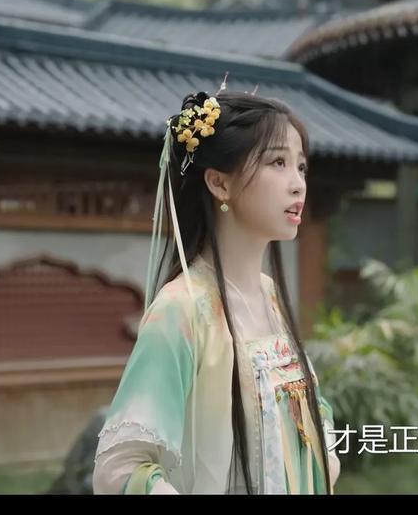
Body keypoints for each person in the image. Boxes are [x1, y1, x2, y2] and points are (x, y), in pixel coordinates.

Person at [93, 88, 339, 494]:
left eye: (301, 166)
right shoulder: (182, 309)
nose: (298, 185)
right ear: (219, 183)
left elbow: (312, 408)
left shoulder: (268, 295)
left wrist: (323, 458)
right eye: (277, 162)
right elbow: (119, 467)